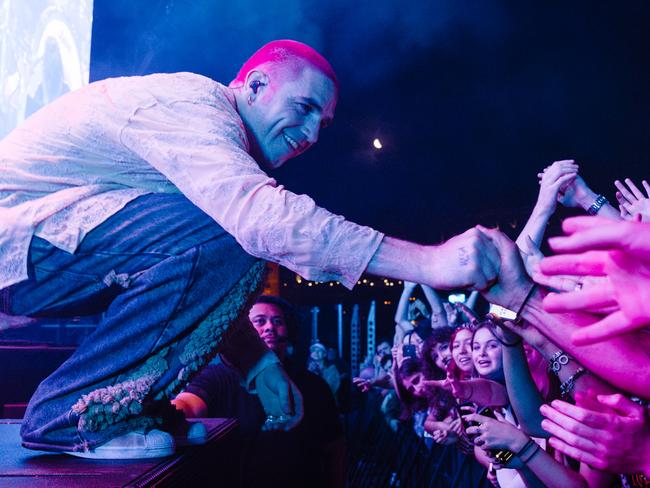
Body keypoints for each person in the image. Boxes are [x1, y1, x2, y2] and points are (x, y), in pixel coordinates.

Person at [0, 39, 502, 458]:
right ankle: (79, 415)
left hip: (42, 243)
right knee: (243, 230)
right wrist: (430, 262)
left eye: (322, 126)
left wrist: (257, 365)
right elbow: (256, 225)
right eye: (304, 109)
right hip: (19, 237)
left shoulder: (202, 128)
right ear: (256, 84)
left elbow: (187, 268)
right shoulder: (191, 108)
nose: (310, 136)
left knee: (228, 233)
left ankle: (127, 404)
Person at [173, 295, 345, 487]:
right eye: (259, 321)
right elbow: (189, 403)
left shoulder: (313, 384)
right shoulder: (215, 378)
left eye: (278, 321)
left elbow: (333, 448)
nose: (270, 327)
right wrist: (172, 413)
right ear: (240, 330)